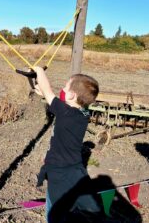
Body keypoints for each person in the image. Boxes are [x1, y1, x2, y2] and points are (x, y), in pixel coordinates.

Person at [33, 66, 101, 223]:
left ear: (72, 94)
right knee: (72, 204)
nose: (62, 89)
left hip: (59, 170)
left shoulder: (65, 113)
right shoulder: (83, 113)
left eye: (65, 86)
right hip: (74, 167)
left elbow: (48, 91)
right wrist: (43, 92)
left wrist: (39, 71)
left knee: (55, 211)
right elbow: (56, 99)